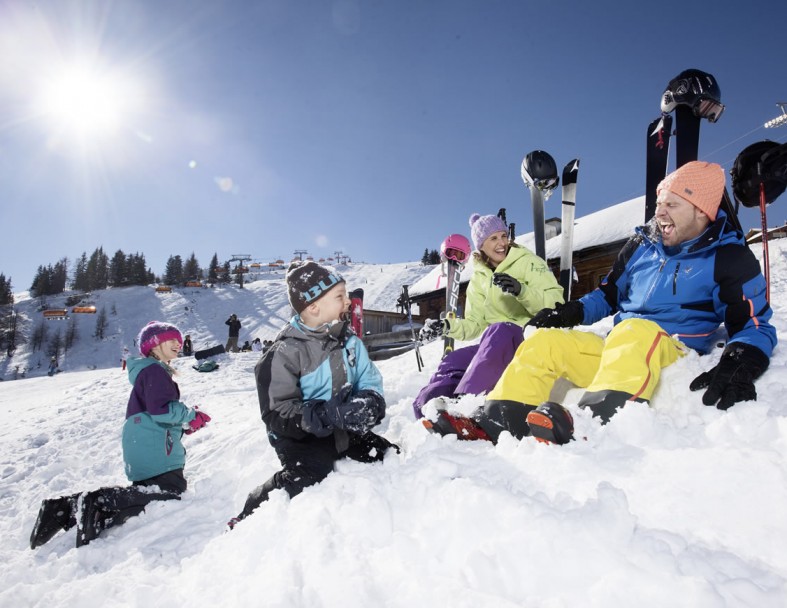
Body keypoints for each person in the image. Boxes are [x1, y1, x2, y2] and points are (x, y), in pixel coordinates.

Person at [429, 161, 777, 445]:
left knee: (635, 331)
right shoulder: (642, 247)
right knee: (547, 344)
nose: (661, 213)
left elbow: (754, 322)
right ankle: (498, 420)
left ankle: (589, 424)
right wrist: (573, 312)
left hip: (670, 348)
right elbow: (609, 294)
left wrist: (744, 356)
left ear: (702, 210)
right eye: (659, 205)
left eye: (672, 205)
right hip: (621, 349)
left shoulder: (728, 257)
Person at [227, 261, 397, 529]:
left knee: (386, 454)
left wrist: (369, 402)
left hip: (342, 428)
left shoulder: (350, 342)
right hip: (300, 436)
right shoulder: (284, 353)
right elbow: (276, 411)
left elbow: (369, 378)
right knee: (309, 473)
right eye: (339, 296)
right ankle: (251, 511)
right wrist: (323, 414)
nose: (348, 302)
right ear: (314, 306)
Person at [29, 321, 211, 548]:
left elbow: (153, 413)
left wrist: (184, 426)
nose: (179, 343)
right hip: (154, 448)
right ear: (154, 345)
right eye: (171, 339)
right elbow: (161, 409)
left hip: (144, 441)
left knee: (148, 491)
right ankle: (100, 502)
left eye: (179, 339)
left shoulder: (147, 372)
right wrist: (190, 414)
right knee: (170, 493)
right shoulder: (155, 371)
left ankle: (64, 508)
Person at [412, 212, 564, 418]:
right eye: (493, 238)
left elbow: (557, 303)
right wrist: (446, 326)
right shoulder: (479, 278)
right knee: (455, 359)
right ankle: (429, 410)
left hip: (530, 339)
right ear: (481, 245)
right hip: (494, 344)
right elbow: (475, 324)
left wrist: (522, 291)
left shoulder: (528, 262)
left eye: (503, 236)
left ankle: (467, 407)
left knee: (500, 330)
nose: (502, 243)